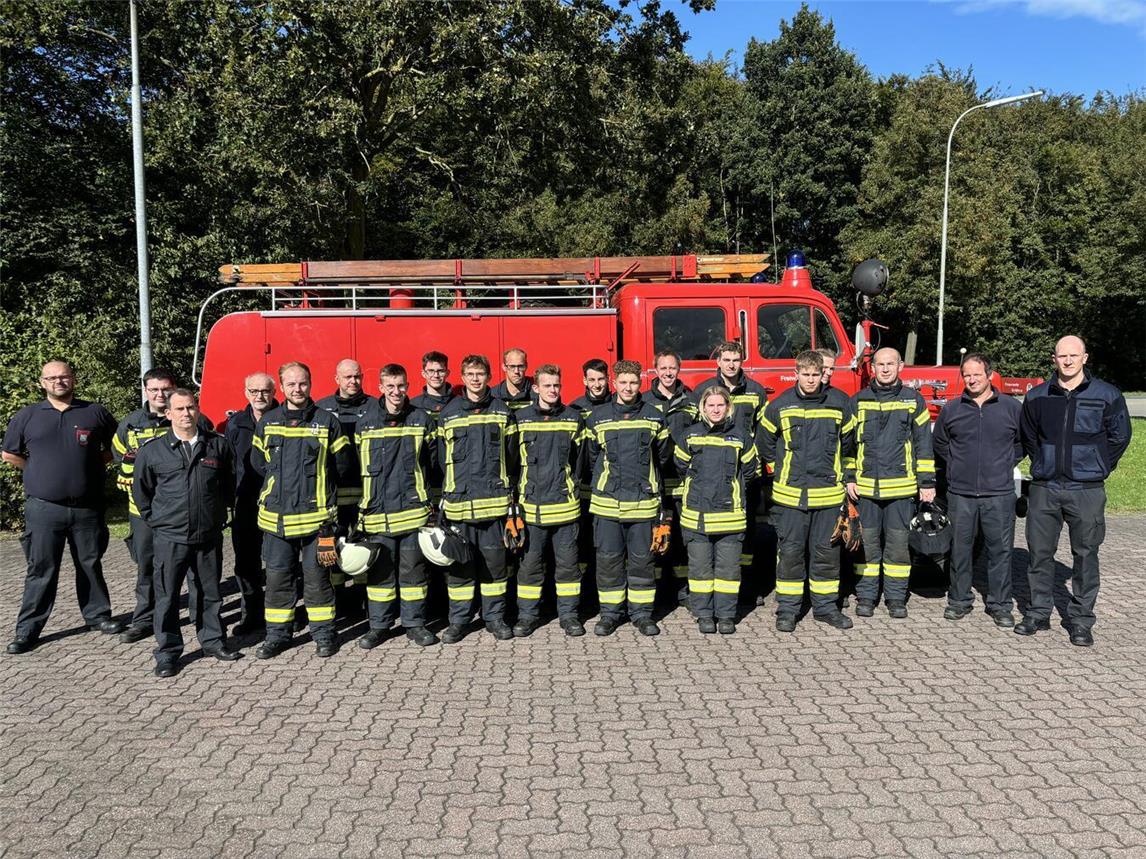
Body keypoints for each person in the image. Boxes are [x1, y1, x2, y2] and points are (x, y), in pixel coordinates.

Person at [1018, 335, 1132, 646]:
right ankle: (1038, 612)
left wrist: (1098, 464)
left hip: (1086, 488)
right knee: (1039, 554)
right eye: (1061, 356)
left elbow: (1119, 436)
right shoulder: (1037, 396)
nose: (1067, 361)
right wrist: (1044, 460)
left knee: (1085, 555)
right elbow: (1028, 436)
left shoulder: (1107, 395)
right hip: (1045, 487)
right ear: (1053, 359)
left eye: (1073, 355)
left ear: (1085, 358)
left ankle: (1081, 621)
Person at [4, 361, 122, 654]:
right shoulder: (27, 416)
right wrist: (36, 471)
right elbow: (9, 453)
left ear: (74, 379)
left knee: (90, 564)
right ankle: (28, 630)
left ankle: (98, 617)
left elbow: (116, 447)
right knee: (41, 569)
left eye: (64, 376)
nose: (59, 381)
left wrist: (93, 466)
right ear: (42, 383)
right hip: (44, 509)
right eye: (52, 378)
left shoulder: (95, 412)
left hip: (87, 507)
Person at [132, 389, 239, 676]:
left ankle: (214, 641)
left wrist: (218, 516)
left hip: (207, 535)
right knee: (166, 597)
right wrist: (158, 521)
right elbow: (142, 492)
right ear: (168, 414)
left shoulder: (217, 446)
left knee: (209, 593)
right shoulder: (152, 451)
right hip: (170, 537)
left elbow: (230, 485)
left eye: (190, 407)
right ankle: (167, 652)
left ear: (198, 409)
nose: (186, 414)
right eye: (178, 409)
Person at [250, 361, 352, 659]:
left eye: (303, 383)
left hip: (317, 522)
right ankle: (277, 637)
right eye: (291, 384)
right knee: (278, 581)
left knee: (318, 581)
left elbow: (343, 467)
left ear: (311, 384)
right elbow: (259, 464)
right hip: (276, 521)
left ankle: (324, 635)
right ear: (281, 387)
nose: (298, 389)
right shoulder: (268, 422)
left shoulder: (327, 421)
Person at [760, 351, 856, 631]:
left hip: (827, 496)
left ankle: (826, 608)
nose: (811, 379)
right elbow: (765, 443)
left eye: (816, 374)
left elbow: (849, 447)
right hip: (790, 498)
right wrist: (782, 473)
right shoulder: (780, 405)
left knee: (827, 554)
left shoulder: (840, 404)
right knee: (790, 554)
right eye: (806, 374)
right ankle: (788, 610)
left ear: (822, 374)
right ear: (796, 373)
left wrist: (847, 477)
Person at [931, 353, 1023, 627]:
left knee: (1001, 551)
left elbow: (1023, 442)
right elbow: (940, 443)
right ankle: (959, 601)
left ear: (990, 375)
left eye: (977, 375)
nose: (971, 380)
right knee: (960, 550)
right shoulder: (952, 408)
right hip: (961, 493)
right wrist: (959, 465)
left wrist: (1005, 463)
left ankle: (1000, 605)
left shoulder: (1011, 408)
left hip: (999, 492)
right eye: (967, 375)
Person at [847, 348, 936, 619]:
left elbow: (923, 445)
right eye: (880, 364)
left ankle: (896, 597)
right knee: (868, 547)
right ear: (872, 367)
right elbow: (847, 445)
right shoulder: (858, 401)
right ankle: (866, 596)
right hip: (866, 490)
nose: (885, 369)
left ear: (901, 366)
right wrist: (849, 477)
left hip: (901, 489)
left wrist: (927, 482)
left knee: (897, 547)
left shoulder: (913, 401)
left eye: (890, 364)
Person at [585, 360, 671, 637]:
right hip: (607, 503)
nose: (628, 387)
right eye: (623, 383)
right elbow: (591, 458)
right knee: (608, 561)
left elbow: (664, 456)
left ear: (640, 383)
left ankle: (642, 614)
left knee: (642, 561)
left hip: (643, 504)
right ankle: (610, 614)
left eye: (633, 382)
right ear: (614, 384)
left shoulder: (654, 416)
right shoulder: (598, 417)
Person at [354, 364, 438, 648]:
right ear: (380, 387)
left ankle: (415, 624)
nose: (396, 391)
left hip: (413, 511)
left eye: (401, 385)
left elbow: (433, 463)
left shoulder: (421, 419)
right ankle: (379, 626)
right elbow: (354, 466)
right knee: (380, 575)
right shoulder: (365, 422)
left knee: (414, 573)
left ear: (408, 386)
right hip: (378, 514)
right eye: (390, 386)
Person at [436, 354, 517, 642]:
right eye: (470, 373)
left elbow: (512, 456)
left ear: (489, 377)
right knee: (460, 569)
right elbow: (437, 460)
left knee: (494, 567)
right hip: (459, 506)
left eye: (480, 374)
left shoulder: (502, 411)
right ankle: (459, 621)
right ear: (462, 376)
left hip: (494, 505)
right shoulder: (449, 413)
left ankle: (494, 618)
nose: (475, 379)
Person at [114, 367, 193, 644]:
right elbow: (120, 461)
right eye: (154, 389)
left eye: (166, 389)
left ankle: (200, 617)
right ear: (145, 390)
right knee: (147, 568)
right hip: (144, 513)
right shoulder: (130, 424)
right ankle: (144, 619)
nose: (160, 395)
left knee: (195, 569)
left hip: (185, 513)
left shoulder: (191, 418)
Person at [674, 386, 758, 635]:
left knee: (728, 572)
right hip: (696, 516)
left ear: (728, 407)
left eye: (720, 405)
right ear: (703, 408)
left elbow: (751, 471)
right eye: (711, 405)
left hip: (730, 517)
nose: (716, 409)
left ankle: (726, 615)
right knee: (699, 571)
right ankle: (704, 615)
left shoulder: (741, 436)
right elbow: (680, 466)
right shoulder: (689, 435)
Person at [512, 364, 586, 637]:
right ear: (536, 388)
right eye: (547, 385)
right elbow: (511, 463)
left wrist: (572, 489)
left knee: (568, 568)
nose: (553, 390)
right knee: (529, 568)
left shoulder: (573, 418)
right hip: (531, 510)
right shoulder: (519, 418)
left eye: (556, 385)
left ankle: (569, 616)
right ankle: (528, 617)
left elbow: (581, 462)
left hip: (565, 509)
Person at [690, 341, 767, 579]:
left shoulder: (756, 391)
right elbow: (694, 431)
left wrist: (755, 466)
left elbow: (763, 432)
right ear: (718, 362)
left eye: (735, 360)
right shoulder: (704, 390)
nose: (731, 365)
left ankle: (745, 581)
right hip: (713, 475)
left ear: (741, 361)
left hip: (745, 473)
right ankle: (714, 576)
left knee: (747, 527)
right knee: (711, 531)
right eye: (726, 360)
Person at [222, 373, 278, 634]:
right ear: (246, 393)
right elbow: (228, 466)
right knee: (246, 564)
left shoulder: (285, 418)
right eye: (253, 391)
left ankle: (282, 614)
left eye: (265, 391)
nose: (259, 396)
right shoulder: (236, 424)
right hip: (246, 503)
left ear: (274, 392)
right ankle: (251, 616)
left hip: (280, 503)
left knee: (281, 564)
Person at [316, 359, 371, 618]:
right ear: (336, 379)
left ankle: (362, 599)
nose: (353, 381)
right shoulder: (322, 409)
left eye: (357, 376)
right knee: (334, 545)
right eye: (348, 377)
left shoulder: (374, 407)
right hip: (334, 492)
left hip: (365, 490)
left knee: (362, 544)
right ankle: (338, 599)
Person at [643, 350, 694, 606]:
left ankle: (682, 590)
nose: (667, 372)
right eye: (663, 368)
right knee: (656, 535)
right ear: (655, 370)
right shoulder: (643, 403)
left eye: (672, 368)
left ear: (678, 370)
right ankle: (659, 589)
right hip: (654, 481)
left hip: (683, 480)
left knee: (682, 538)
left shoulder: (692, 401)